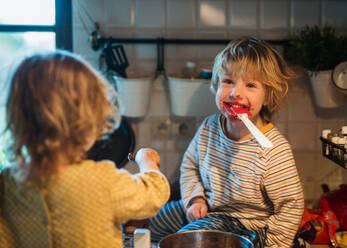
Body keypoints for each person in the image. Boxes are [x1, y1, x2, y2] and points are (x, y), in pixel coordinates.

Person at [0, 50, 170, 248]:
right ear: (88, 122)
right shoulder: (100, 180)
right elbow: (153, 196)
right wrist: (146, 161)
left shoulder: (8, 182)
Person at [149, 37, 305, 248]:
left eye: (250, 85)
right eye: (228, 81)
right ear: (216, 84)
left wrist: (275, 243)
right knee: (157, 219)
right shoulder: (209, 127)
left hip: (249, 226)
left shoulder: (273, 149)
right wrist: (195, 199)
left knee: (189, 237)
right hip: (211, 210)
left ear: (268, 96)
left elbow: (291, 206)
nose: (235, 93)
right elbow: (190, 167)